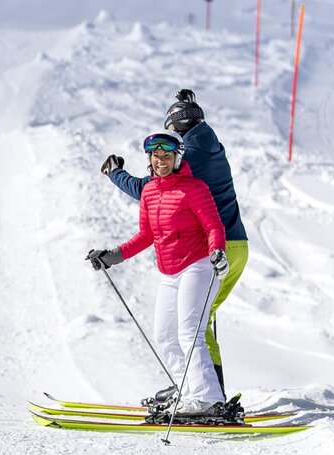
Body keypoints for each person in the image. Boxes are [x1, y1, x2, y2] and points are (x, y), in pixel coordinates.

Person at [100, 89, 248, 397]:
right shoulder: (209, 144)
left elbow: (148, 188)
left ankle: (209, 396)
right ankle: (195, 388)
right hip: (231, 241)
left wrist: (116, 174)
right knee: (191, 324)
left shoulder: (190, 157)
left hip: (214, 244)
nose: (164, 155)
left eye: (171, 132)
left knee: (195, 324)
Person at [88, 131, 230, 415]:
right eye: (156, 156)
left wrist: (217, 252)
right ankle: (188, 392)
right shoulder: (150, 192)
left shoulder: (194, 188)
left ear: (177, 158)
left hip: (199, 265)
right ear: (149, 159)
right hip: (170, 272)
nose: (161, 161)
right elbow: (146, 235)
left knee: (190, 333)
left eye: (167, 156)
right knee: (164, 334)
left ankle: (209, 399)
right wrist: (113, 256)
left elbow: (214, 226)